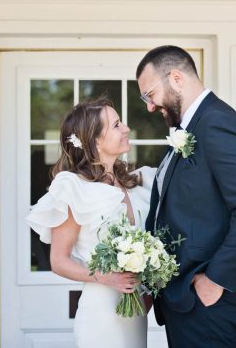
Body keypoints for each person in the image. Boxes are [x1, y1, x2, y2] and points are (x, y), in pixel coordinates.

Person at [136, 45, 236, 348]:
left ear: (176, 78)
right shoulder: (191, 127)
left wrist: (216, 280)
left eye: (149, 95)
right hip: (185, 297)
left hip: (207, 298)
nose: (149, 107)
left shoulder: (217, 122)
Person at [26, 98, 155, 348]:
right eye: (117, 125)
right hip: (101, 314)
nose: (126, 128)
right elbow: (58, 261)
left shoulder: (133, 182)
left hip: (135, 311)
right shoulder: (75, 189)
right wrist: (107, 278)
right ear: (95, 140)